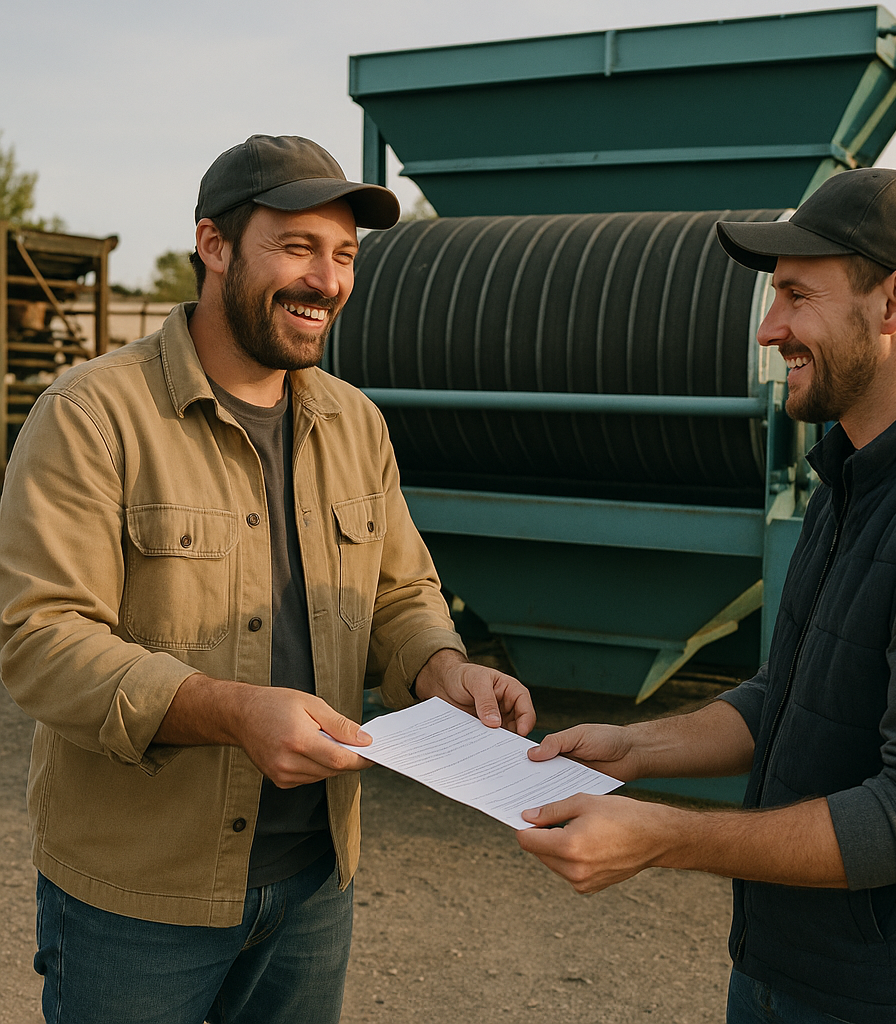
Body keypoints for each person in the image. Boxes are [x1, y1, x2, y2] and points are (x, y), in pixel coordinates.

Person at [0, 134, 534, 1024]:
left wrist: (443, 668)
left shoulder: (355, 422)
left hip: (316, 882)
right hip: (142, 899)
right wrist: (231, 710)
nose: (326, 281)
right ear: (213, 246)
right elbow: (40, 639)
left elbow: (400, 594)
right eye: (296, 248)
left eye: (343, 255)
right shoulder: (91, 416)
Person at [516, 168, 896, 1024]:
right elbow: (785, 700)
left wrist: (667, 837)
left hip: (890, 1003)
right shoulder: (853, 476)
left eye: (796, 295)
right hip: (784, 972)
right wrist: (635, 750)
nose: (768, 327)